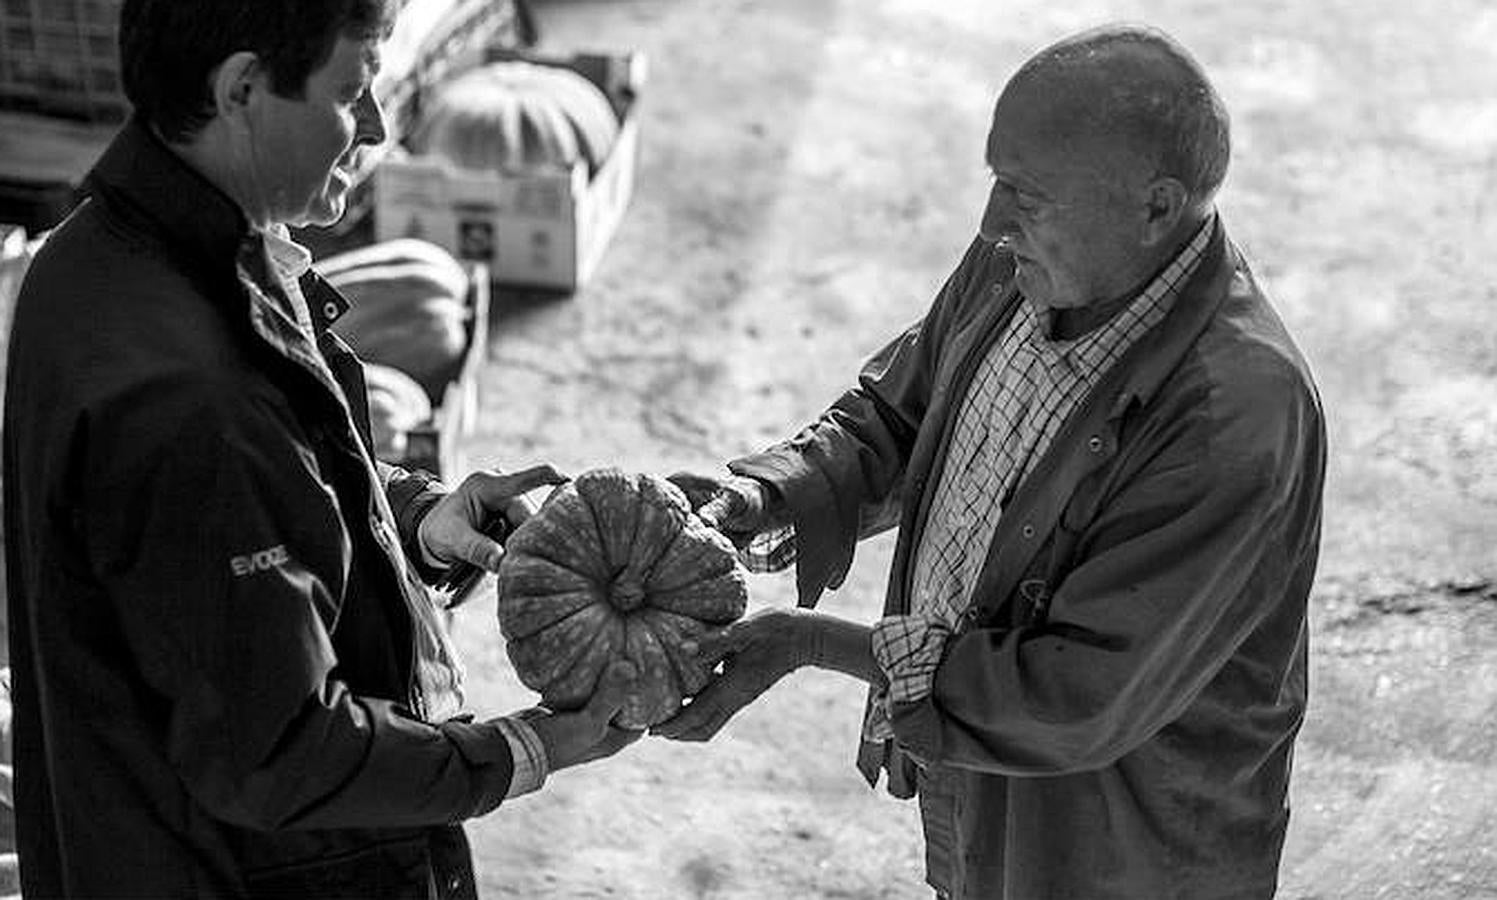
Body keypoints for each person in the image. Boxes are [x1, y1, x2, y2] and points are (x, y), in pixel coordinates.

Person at [658, 23, 1327, 900]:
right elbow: (906, 408)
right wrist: (772, 491)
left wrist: (815, 644)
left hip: (1119, 841)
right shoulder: (1024, 261)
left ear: (1156, 208)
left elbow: (1073, 695)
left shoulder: (1233, 417)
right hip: (972, 764)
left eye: (1025, 194)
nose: (989, 223)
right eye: (994, 180)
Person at [0, 1, 641, 896]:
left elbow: (237, 508)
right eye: (352, 89)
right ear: (244, 89)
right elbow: (282, 754)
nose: (376, 123)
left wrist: (408, 516)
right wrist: (522, 748)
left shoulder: (98, 256)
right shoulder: (190, 399)